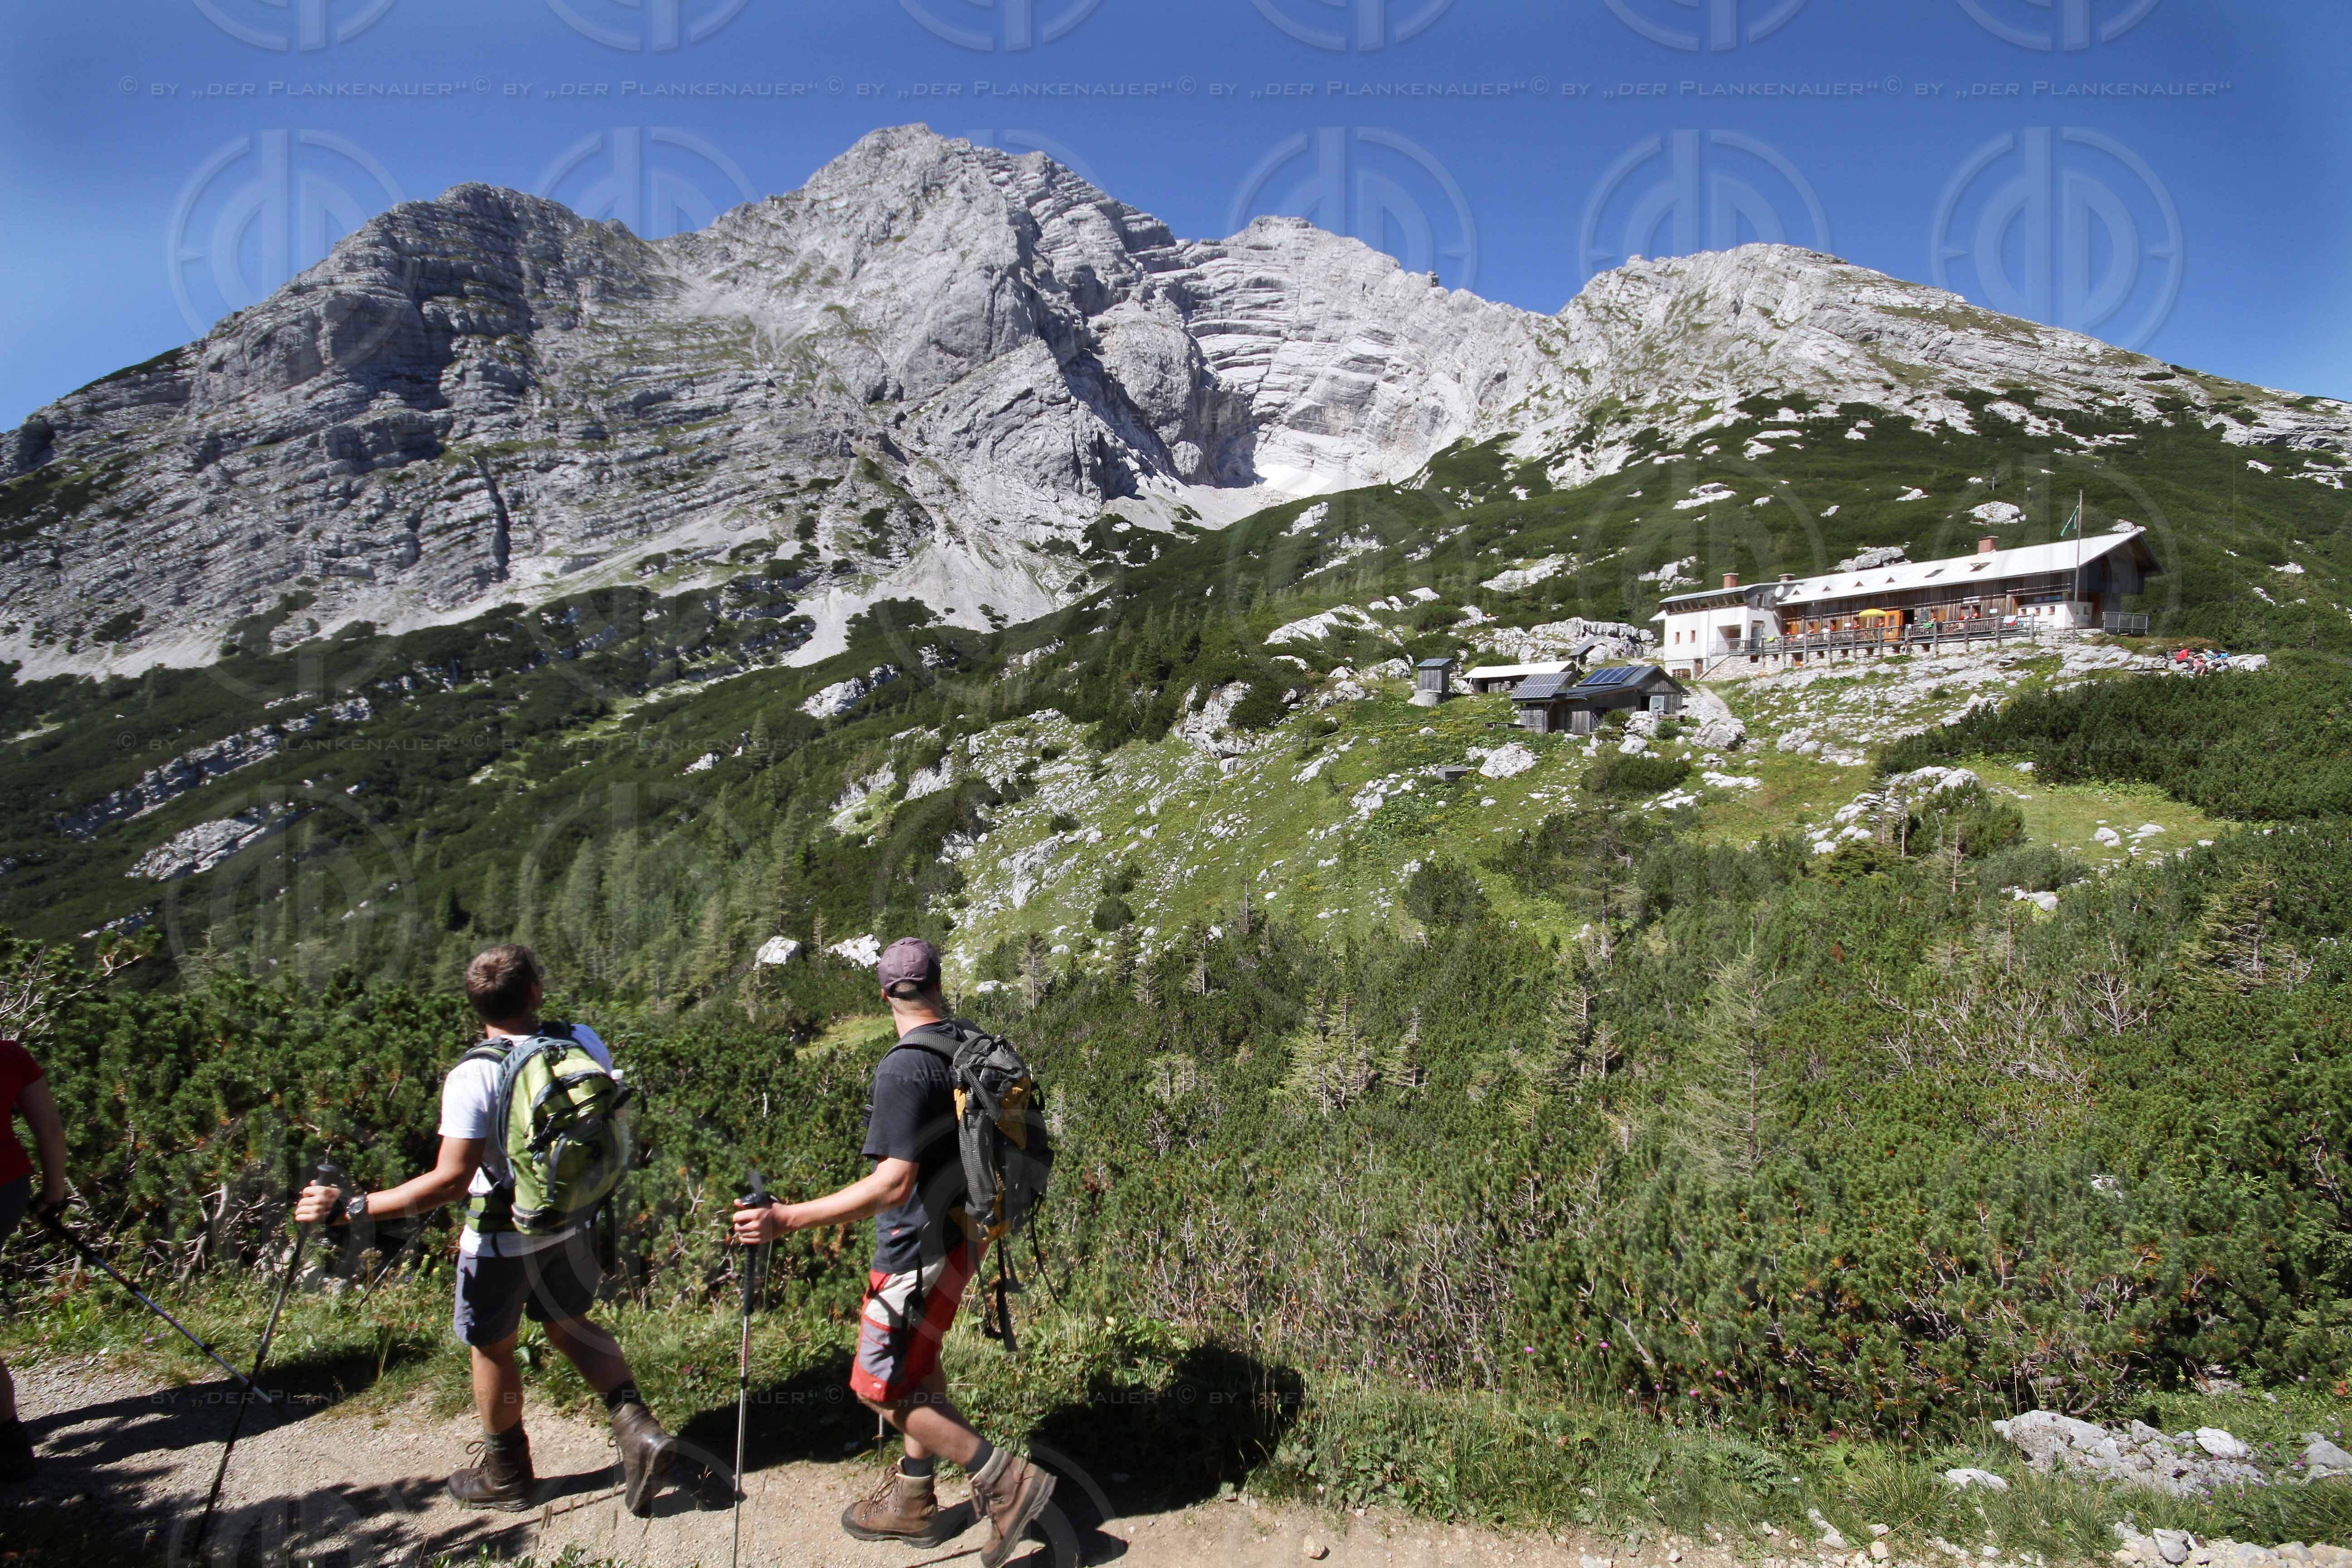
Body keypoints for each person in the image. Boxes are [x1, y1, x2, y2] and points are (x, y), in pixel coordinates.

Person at [294, 945, 676, 1514]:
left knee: (492, 1349)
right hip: (572, 1223)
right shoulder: (582, 1041)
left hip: (500, 1238)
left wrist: (355, 1207)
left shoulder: (474, 1074)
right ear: (535, 992)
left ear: (475, 1005)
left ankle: (508, 1476)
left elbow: (451, 1181)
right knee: (572, 1324)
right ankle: (639, 1430)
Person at [732, 936, 1055, 1568]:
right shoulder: (964, 1039)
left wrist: (785, 1219)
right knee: (919, 1362)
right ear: (939, 983)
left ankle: (1007, 1482)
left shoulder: (903, 1067)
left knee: (877, 1386)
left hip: (915, 1249)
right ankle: (913, 1499)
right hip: (965, 1235)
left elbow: (893, 1183)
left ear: (883, 994)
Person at [0, 1038, 67, 1483]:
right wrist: (54, 1194)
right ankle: (7, 1441)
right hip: (7, 1187)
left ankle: (8, 1442)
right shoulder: (10, 1055)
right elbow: (49, 1130)